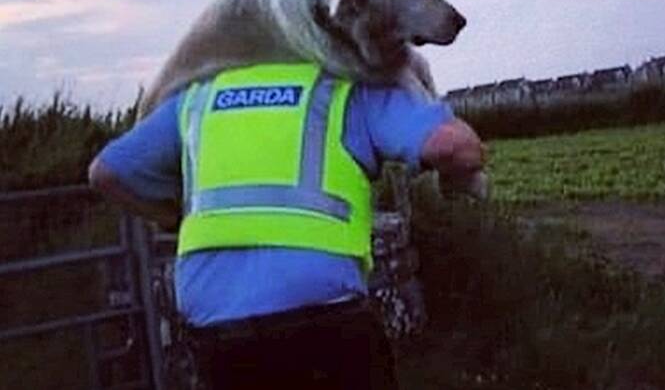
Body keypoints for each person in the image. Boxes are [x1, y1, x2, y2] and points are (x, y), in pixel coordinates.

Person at [89, 62, 486, 390]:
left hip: (218, 329)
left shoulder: (198, 97)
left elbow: (107, 173)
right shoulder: (345, 89)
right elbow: (455, 148)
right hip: (324, 322)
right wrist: (434, 110)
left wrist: (170, 217)